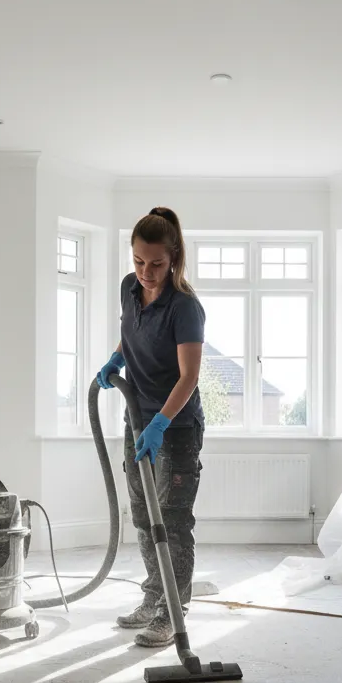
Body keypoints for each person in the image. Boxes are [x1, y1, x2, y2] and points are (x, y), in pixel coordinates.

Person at [96, 206, 205, 647]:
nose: (146, 271)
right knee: (143, 516)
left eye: (156, 263)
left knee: (173, 522)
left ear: (174, 258)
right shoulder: (129, 288)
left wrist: (162, 421)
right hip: (135, 418)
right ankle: (152, 597)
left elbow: (189, 376)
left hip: (173, 429)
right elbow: (132, 331)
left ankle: (171, 615)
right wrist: (117, 357)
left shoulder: (185, 307)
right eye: (138, 261)